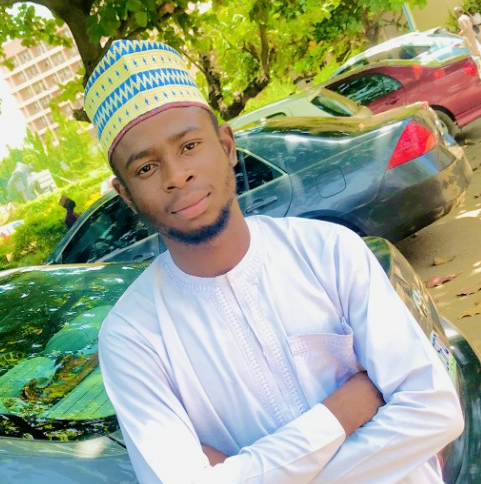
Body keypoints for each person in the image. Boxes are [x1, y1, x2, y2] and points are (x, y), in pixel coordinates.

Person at [84, 39, 464, 484]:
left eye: (189, 146)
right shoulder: (132, 338)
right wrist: (341, 412)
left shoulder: (328, 252)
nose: (176, 175)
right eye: (146, 168)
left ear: (227, 145)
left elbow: (434, 410)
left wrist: (241, 473)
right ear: (126, 194)